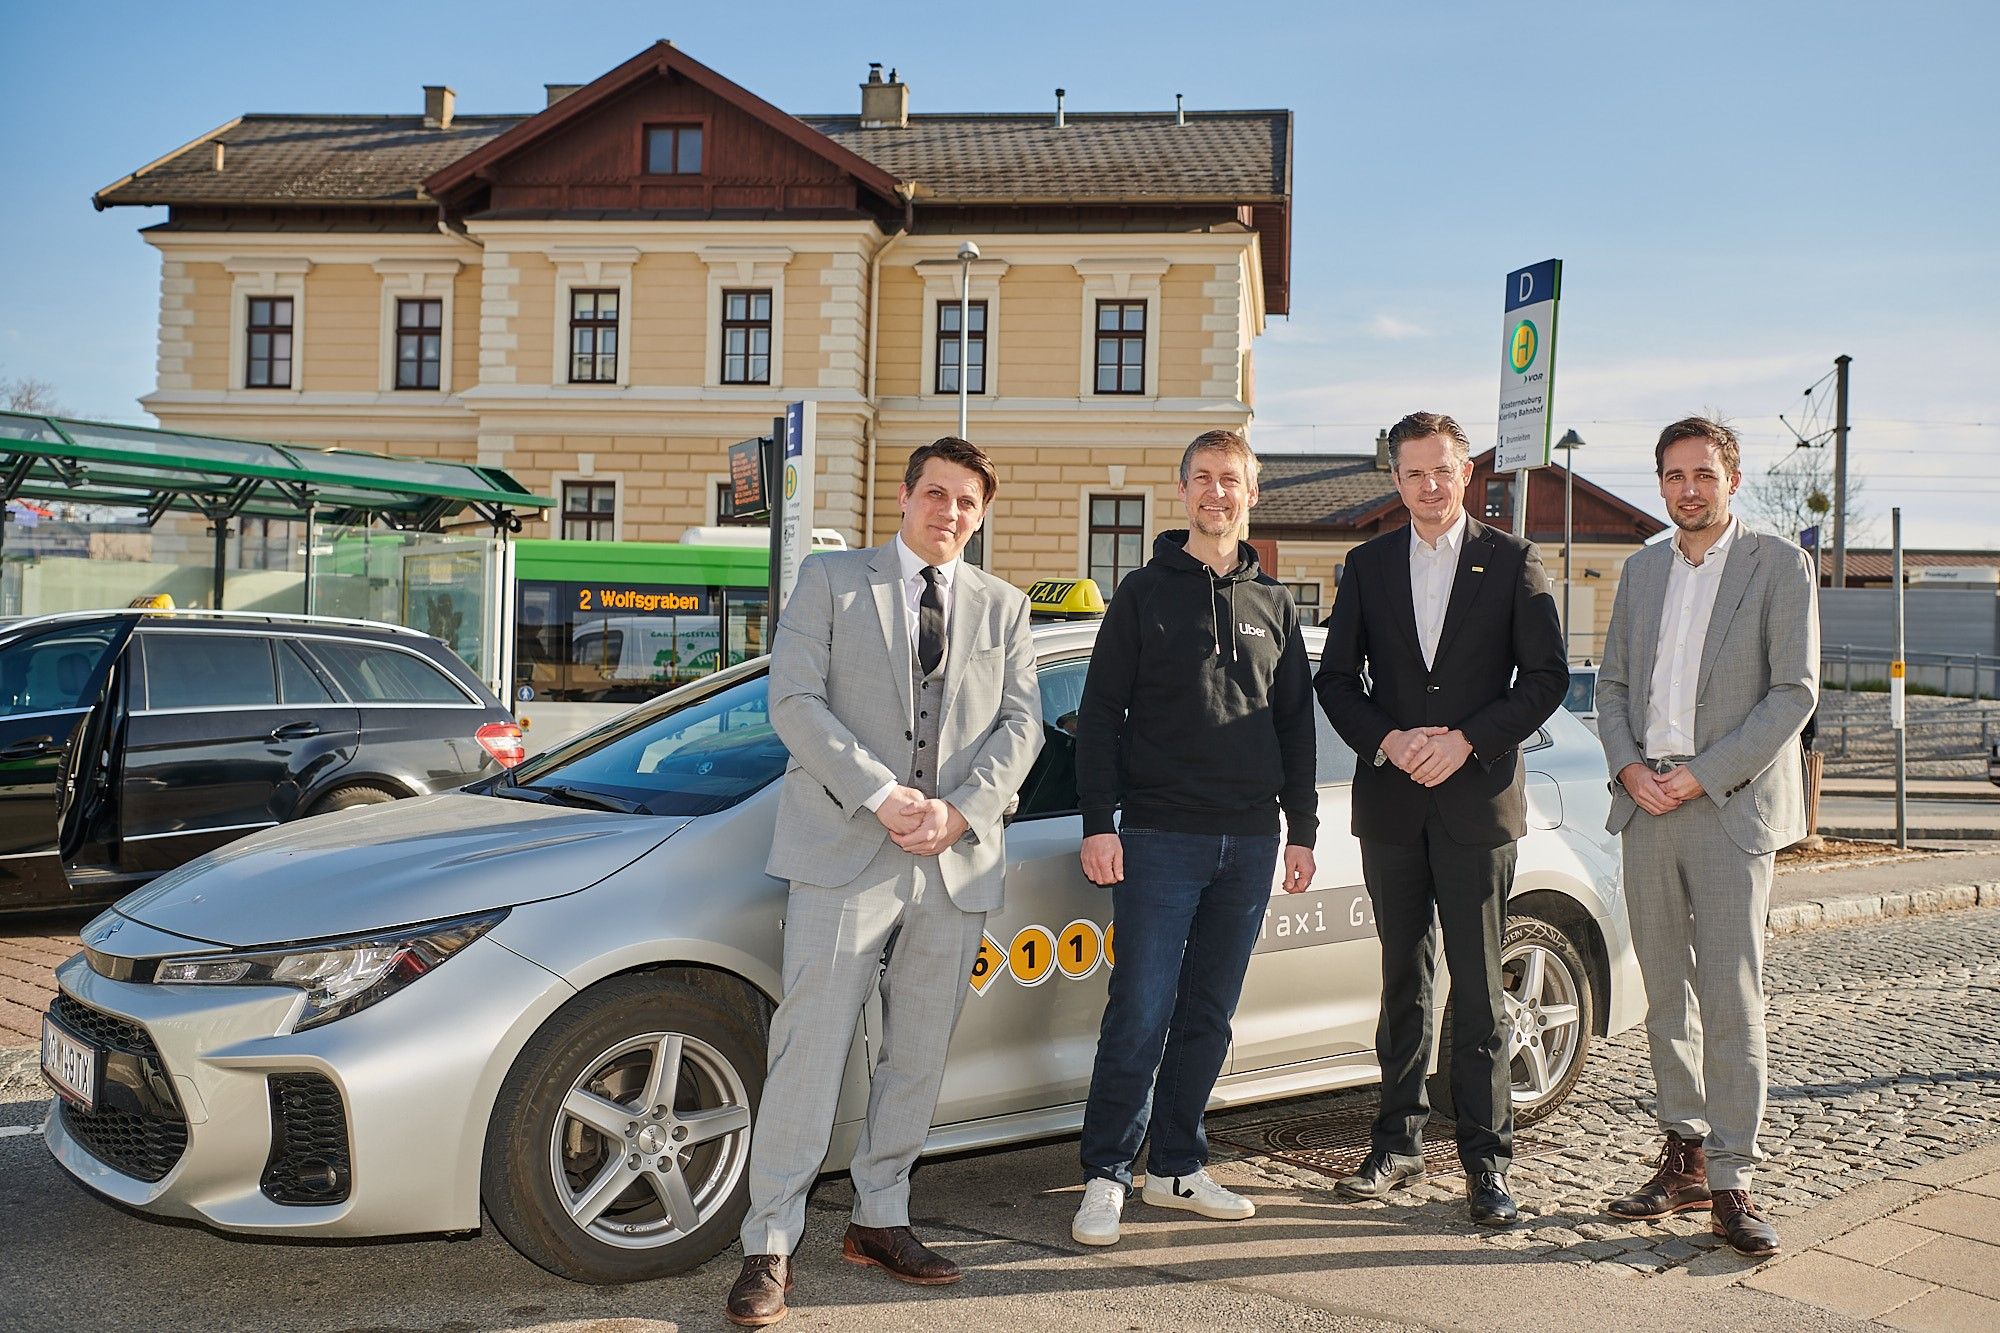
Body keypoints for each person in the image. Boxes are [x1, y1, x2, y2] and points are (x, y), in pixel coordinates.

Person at [726, 438, 1042, 1327]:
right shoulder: (831, 582)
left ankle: (880, 1217)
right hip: (845, 846)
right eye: (935, 494)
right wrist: (883, 792)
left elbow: (1023, 727)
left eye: (967, 502)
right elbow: (792, 700)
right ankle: (770, 1243)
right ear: (904, 497)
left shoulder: (1004, 606)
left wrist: (961, 812)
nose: (949, 512)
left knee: (918, 1052)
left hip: (954, 859)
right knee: (810, 1048)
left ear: (980, 515)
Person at [1314, 411, 1567, 1228]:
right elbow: (1336, 680)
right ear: (1395, 478)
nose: (1429, 485)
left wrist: (1466, 741)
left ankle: (1488, 1164)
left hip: (1476, 802)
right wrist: (1389, 739)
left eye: (1443, 471)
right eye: (1414, 472)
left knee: (1482, 993)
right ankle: (1397, 1141)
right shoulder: (1367, 563)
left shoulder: (1514, 560)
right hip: (1390, 804)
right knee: (1401, 981)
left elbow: (1546, 678)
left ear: (1468, 475)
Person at [1068, 429, 1318, 1247]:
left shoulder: (1275, 605)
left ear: (1251, 494)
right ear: (1183, 493)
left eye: (1232, 480)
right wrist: (1098, 824)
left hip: (1247, 842)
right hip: (1157, 837)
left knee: (1209, 1013)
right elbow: (1098, 719)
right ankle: (1107, 1172)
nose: (1218, 493)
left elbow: (1295, 729)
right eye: (1204, 479)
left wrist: (1301, 830)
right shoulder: (1141, 594)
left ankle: (1176, 1165)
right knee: (1139, 1009)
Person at [1596, 417, 1818, 1258]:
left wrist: (1702, 771)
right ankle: (1682, 1154)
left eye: (1703, 473)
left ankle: (1732, 1179)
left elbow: (1792, 693)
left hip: (1728, 804)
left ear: (1732, 478)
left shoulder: (1777, 565)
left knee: (1731, 994)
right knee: (1663, 991)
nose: (1688, 488)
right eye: (1673, 475)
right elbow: (1612, 686)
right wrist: (1628, 770)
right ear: (1660, 483)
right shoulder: (1643, 567)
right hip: (1646, 802)